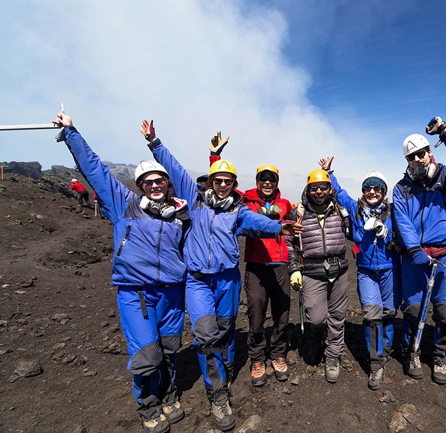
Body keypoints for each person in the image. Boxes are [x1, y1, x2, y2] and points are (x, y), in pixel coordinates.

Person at [140, 120, 301, 432]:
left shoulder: (237, 209)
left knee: (226, 329)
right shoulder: (195, 198)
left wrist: (278, 226)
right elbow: (172, 167)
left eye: (228, 181)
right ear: (211, 181)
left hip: (228, 278)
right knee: (206, 333)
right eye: (219, 179)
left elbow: (256, 221)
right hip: (198, 279)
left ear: (233, 183)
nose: (223, 184)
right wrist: (155, 143)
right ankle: (218, 394)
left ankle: (224, 368)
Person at [53, 109, 189, 433]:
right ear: (141, 185)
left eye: (160, 180)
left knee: (169, 348)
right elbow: (95, 171)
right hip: (136, 293)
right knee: (146, 354)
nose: (155, 185)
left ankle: (168, 391)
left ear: (167, 183)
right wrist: (72, 133)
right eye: (148, 182)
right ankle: (147, 406)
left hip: (172, 292)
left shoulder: (180, 216)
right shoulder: (124, 205)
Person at [393, 116, 446, 385]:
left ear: (430, 152)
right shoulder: (401, 188)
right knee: (413, 310)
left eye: (421, 153)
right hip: (415, 258)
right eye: (411, 157)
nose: (418, 159)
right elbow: (403, 221)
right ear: (408, 162)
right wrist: (414, 249)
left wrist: (445, 131)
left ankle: (441, 355)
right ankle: (411, 351)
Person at [318, 156, 400, 390]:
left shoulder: (393, 213)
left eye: (377, 188)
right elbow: (339, 192)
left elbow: (404, 237)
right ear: (363, 191)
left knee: (389, 312)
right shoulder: (355, 209)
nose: (372, 191)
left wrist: (389, 236)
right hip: (365, 272)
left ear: (383, 191)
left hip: (389, 270)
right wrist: (328, 172)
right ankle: (376, 363)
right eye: (368, 187)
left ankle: (386, 348)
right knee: (372, 315)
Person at [285, 169, 351, 384]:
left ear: (330, 188)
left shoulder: (340, 210)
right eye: (315, 188)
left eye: (323, 187)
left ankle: (333, 355)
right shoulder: (298, 214)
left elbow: (353, 232)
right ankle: (320, 335)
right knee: (316, 318)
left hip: (339, 269)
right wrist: (294, 268)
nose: (319, 191)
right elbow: (291, 245)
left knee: (338, 316)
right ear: (308, 189)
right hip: (312, 272)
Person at [241, 163, 293, 386]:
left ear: (277, 182)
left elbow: (294, 232)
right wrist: (215, 158)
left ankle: (278, 354)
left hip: (281, 264)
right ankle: (258, 358)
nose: (268, 182)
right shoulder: (247, 202)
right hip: (256, 265)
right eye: (263, 178)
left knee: (282, 312)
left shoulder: (284, 204)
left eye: (272, 178)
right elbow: (220, 188)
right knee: (256, 312)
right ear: (257, 181)